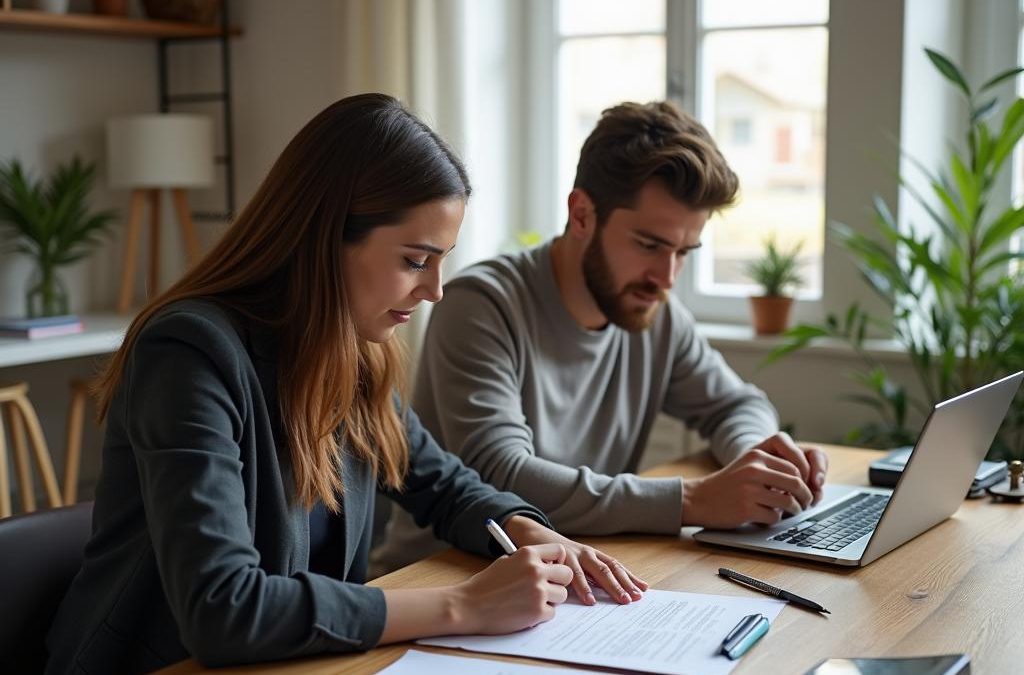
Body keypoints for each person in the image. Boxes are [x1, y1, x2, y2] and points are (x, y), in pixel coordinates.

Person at [44, 94, 647, 675]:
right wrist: (466, 605)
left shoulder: (351, 354)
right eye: (415, 261)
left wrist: (529, 530)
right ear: (325, 237)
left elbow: (443, 487)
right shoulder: (187, 354)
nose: (435, 290)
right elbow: (223, 609)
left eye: (442, 260)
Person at [373, 100, 829, 574]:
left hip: (570, 578)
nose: (666, 276)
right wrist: (691, 501)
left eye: (684, 252)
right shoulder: (481, 305)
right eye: (650, 245)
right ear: (582, 213)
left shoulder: (654, 312)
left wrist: (758, 464)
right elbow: (502, 476)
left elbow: (736, 404)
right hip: (442, 578)